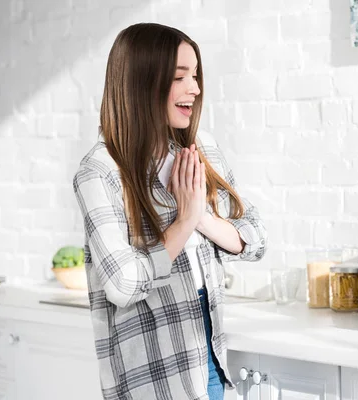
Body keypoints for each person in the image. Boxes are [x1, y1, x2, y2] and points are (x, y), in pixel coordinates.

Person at [73, 23, 267, 400]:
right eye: (180, 77)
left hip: (210, 356)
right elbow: (124, 284)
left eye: (195, 75)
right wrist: (185, 220)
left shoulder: (200, 150)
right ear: (142, 82)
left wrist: (200, 215)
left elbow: (255, 238)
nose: (194, 88)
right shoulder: (100, 172)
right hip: (152, 375)